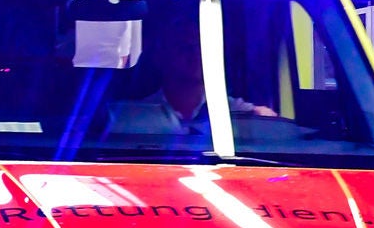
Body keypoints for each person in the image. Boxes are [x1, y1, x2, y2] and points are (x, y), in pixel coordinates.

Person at [103, 9, 273, 138]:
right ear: (162, 57)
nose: (195, 54)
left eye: (200, 47)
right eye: (183, 47)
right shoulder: (128, 118)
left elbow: (271, 128)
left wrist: (268, 120)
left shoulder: (236, 113)